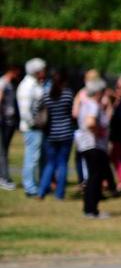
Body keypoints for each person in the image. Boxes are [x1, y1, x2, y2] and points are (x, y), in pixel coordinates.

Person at [76, 78, 113, 218]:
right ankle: (92, 209)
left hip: (88, 145)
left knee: (93, 176)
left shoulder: (87, 104)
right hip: (94, 145)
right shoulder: (93, 105)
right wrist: (99, 132)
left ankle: (89, 208)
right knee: (95, 177)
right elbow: (90, 123)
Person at [37, 71, 77, 200]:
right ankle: (59, 194)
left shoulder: (46, 95)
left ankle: (41, 192)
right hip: (66, 133)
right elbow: (73, 113)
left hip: (50, 134)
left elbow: (38, 109)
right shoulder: (68, 94)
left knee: (50, 163)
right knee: (62, 164)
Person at [17, 58, 47, 197]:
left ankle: (33, 183)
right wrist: (34, 123)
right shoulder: (27, 86)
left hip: (36, 127)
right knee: (31, 158)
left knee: (35, 157)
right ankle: (29, 187)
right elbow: (25, 110)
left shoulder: (35, 84)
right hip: (31, 128)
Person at [1, 66, 21, 191]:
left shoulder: (8, 83)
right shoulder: (3, 83)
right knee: (2, 152)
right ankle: (3, 178)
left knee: (4, 151)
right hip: (3, 122)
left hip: (8, 121)